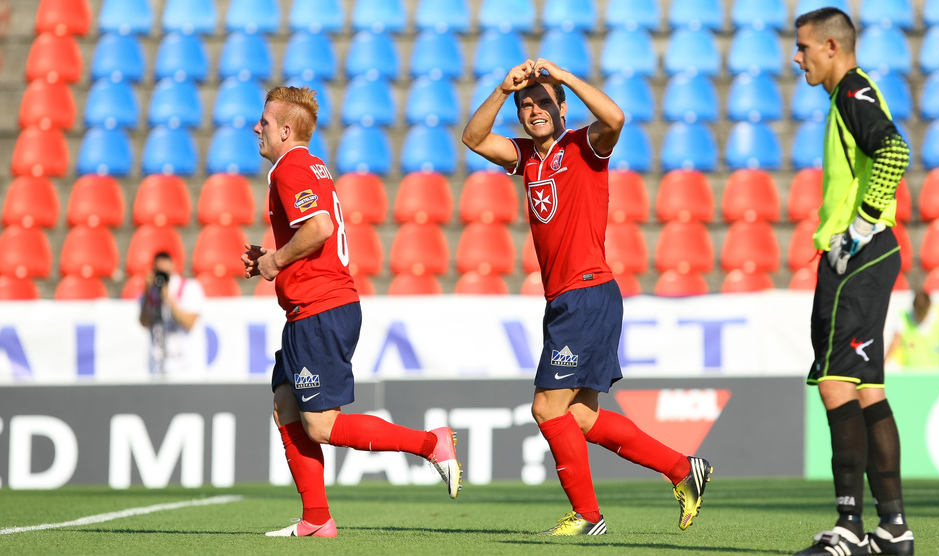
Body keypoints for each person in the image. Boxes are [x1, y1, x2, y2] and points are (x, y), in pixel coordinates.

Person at [462, 58, 712, 536]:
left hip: (586, 293)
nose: (534, 110)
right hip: (567, 299)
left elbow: (615, 118)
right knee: (579, 416)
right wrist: (502, 89)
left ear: (562, 107)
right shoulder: (525, 157)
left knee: (546, 408)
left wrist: (565, 77)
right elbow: (473, 139)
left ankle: (588, 517)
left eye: (544, 102)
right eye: (526, 105)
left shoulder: (584, 144)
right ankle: (683, 469)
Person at [242, 86, 462, 538]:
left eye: (264, 122)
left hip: (319, 308)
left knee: (321, 426)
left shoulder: (291, 168)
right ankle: (316, 519)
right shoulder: (311, 165)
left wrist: (276, 261)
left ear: (285, 131)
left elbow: (319, 227)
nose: (256, 128)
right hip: (314, 307)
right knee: (285, 405)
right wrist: (274, 256)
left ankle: (430, 444)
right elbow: (315, 232)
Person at [794, 8, 913, 556]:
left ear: (831, 47)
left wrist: (860, 226)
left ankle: (847, 528)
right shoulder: (850, 93)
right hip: (869, 255)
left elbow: (894, 151)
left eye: (804, 48)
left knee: (836, 383)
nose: (798, 58)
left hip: (857, 255)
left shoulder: (851, 93)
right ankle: (892, 530)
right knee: (866, 389)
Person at [138, 251, 206, 376]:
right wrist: (147, 293)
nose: (162, 277)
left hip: (186, 369)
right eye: (159, 272)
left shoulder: (190, 287)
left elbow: (189, 323)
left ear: (173, 267)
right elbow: (144, 322)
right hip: (158, 368)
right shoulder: (150, 292)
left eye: (165, 273)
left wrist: (168, 299)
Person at [885, 289, 939, 369]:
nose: (921, 316)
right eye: (919, 313)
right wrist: (884, 363)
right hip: (912, 373)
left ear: (929, 306)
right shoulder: (904, 317)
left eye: (923, 312)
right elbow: (895, 341)